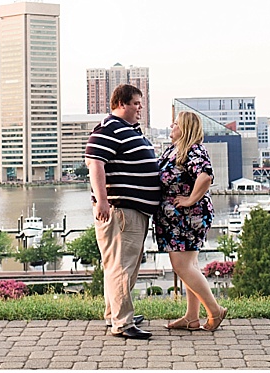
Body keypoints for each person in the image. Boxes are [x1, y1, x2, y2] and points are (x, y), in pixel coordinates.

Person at [84, 84, 160, 340]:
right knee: (121, 267)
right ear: (122, 104)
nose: (140, 108)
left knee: (118, 266)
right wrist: (102, 200)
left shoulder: (127, 131)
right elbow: (95, 162)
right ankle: (123, 323)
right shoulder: (109, 128)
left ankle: (114, 313)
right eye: (137, 103)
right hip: (121, 210)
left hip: (133, 210)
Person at [155, 110, 228, 331]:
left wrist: (189, 200)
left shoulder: (194, 150)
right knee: (190, 265)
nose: (171, 126)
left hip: (187, 217)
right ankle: (191, 317)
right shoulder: (176, 149)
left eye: (175, 124)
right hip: (177, 218)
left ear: (184, 128)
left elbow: (205, 176)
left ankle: (214, 310)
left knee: (182, 266)